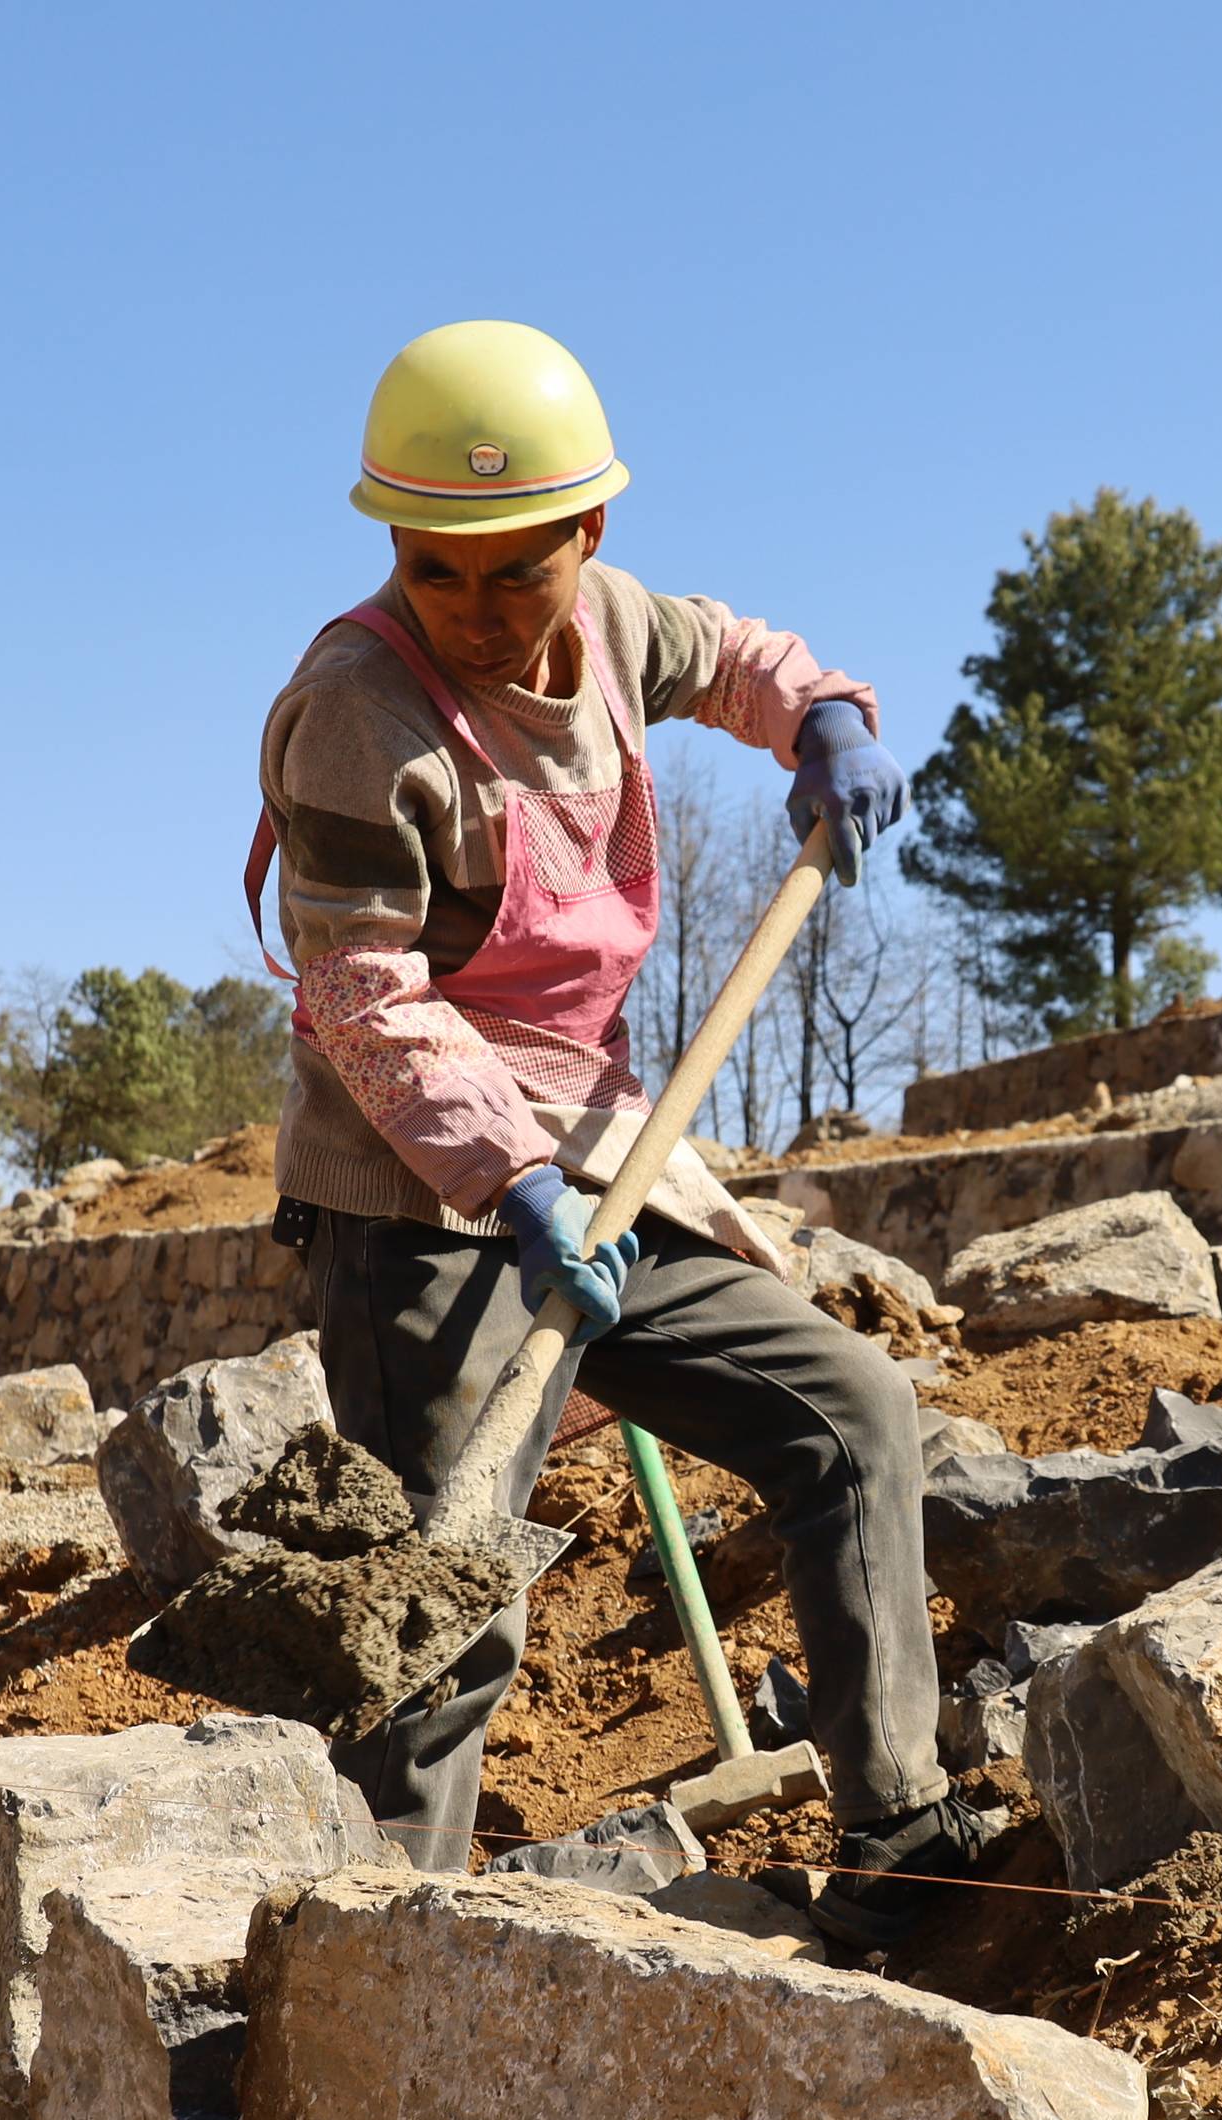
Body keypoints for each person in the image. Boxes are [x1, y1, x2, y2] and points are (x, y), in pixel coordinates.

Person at [249, 320, 980, 1947]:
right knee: (451, 1597)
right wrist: (501, 1181)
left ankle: (903, 1834)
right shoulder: (358, 713)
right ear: (394, 548)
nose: (487, 612)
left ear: (589, 537)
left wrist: (829, 722)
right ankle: (382, 1956)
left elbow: (741, 656)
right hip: (418, 1192)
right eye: (442, 575)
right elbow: (363, 995)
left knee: (849, 1413)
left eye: (522, 572)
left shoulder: (617, 623)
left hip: (599, 1153)